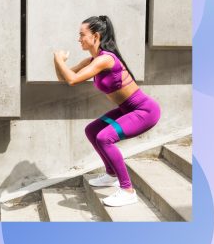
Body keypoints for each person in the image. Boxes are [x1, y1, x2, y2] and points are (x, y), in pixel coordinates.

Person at [53, 15, 161, 207]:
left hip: (144, 111)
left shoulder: (105, 60)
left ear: (95, 36)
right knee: (92, 130)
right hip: (127, 109)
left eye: (82, 35)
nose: (78, 39)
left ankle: (128, 190)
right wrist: (58, 62)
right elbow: (65, 78)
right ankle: (111, 174)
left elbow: (72, 80)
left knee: (105, 137)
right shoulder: (92, 60)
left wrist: (58, 58)